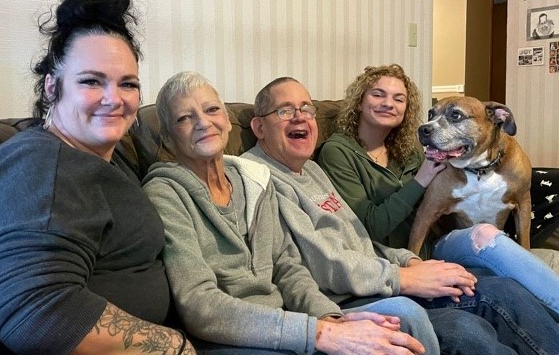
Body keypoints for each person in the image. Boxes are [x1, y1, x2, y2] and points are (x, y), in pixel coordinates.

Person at [242, 76, 559, 354]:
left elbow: (358, 237)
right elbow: (327, 253)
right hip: (366, 287)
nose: (301, 118)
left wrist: (410, 262)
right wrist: (404, 276)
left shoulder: (311, 166)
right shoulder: (267, 174)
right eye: (286, 111)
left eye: (307, 109)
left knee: (503, 287)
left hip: (395, 265)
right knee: (471, 328)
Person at [143, 71, 433, 355]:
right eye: (185, 118)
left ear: (227, 123)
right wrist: (315, 332)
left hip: (287, 319)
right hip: (232, 336)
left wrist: (328, 319)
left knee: (405, 317)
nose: (203, 122)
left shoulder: (251, 179)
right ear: (168, 138)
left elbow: (287, 266)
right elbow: (199, 305)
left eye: (211, 110)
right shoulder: (165, 193)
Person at [0, 0, 194, 354]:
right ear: (52, 88)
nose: (114, 99)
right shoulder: (44, 162)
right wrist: (176, 346)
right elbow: (35, 312)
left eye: (128, 84)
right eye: (92, 81)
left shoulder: (109, 153)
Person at [316, 64, 559, 316]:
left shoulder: (408, 148)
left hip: (440, 244)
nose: (388, 103)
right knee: (491, 249)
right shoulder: (338, 152)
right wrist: (421, 180)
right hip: (394, 257)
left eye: (398, 98)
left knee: (509, 257)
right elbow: (371, 225)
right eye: (378, 94)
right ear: (358, 101)